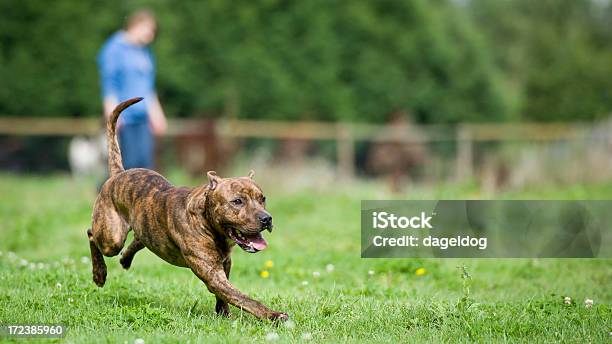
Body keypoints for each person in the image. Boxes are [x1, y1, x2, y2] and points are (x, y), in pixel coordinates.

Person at [97, 9, 167, 170]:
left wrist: (157, 114)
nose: (151, 36)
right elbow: (109, 84)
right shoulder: (114, 49)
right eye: (148, 30)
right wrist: (113, 116)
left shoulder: (144, 52)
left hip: (142, 118)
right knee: (126, 165)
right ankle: (102, 192)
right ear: (135, 25)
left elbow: (148, 87)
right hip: (125, 117)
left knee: (145, 165)